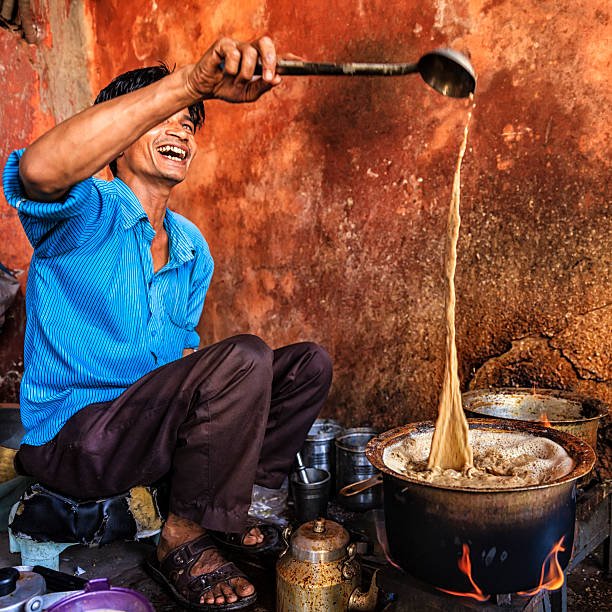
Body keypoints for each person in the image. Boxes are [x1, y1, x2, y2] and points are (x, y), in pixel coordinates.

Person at [2, 36, 332, 610]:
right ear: (120, 135)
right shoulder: (86, 209)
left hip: (146, 428)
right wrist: (186, 83)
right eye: (162, 119)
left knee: (306, 365)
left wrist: (224, 390)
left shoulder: (189, 246)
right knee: (245, 356)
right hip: (76, 439)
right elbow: (38, 167)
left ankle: (234, 509)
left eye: (190, 123)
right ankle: (181, 535)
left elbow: (180, 358)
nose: (181, 130)